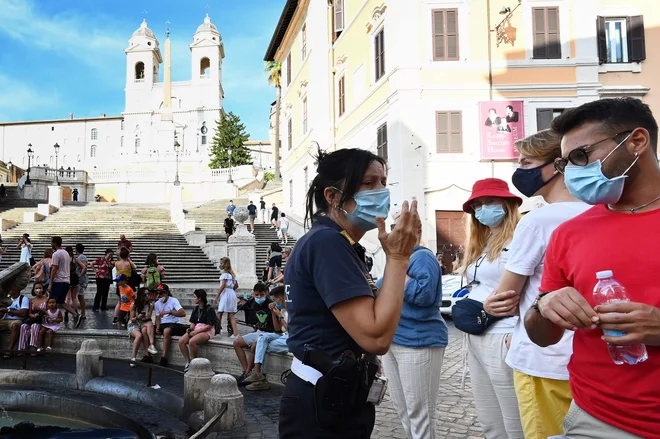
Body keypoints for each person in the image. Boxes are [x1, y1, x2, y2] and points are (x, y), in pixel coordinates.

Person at [525, 98, 660, 438]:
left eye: (581, 156)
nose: (572, 172)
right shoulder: (569, 234)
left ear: (637, 142)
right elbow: (542, 335)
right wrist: (544, 307)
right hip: (596, 420)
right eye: (566, 163)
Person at [278, 147, 419, 438]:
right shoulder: (327, 243)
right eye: (368, 183)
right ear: (332, 196)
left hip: (332, 396)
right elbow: (376, 336)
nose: (381, 191)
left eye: (382, 181)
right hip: (322, 402)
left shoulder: (334, 242)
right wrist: (399, 257)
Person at [483, 129, 589, 439]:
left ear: (558, 164)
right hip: (588, 358)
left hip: (541, 357)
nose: (520, 170)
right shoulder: (602, 211)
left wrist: (491, 302)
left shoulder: (538, 221)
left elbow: (506, 294)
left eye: (527, 162)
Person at [459, 178, 524, 438]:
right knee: (490, 421)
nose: (482, 209)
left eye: (489, 202)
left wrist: (519, 332)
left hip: (504, 334)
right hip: (478, 334)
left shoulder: (520, 237)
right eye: (478, 205)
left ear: (507, 204)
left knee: (514, 420)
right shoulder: (484, 242)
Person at [377, 217, 447, 439]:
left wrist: (397, 273)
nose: (399, 233)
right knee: (403, 409)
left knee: (419, 413)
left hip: (419, 342)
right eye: (396, 228)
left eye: (404, 228)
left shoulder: (422, 257)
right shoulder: (399, 259)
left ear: (417, 231)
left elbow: (424, 295)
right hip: (395, 340)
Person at [243, 286, 289, 391]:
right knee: (262, 338)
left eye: (274, 300)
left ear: (280, 299)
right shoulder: (281, 310)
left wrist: (280, 316)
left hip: (292, 338)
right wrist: (273, 313)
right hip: (283, 336)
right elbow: (278, 329)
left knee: (261, 346)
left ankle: (261, 379)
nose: (273, 302)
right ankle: (257, 372)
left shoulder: (290, 310)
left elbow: (292, 330)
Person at [232, 282, 276, 385]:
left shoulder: (270, 304)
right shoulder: (252, 303)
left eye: (261, 295)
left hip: (269, 334)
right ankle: (245, 370)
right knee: (236, 343)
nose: (259, 297)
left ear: (266, 293)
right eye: (256, 295)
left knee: (254, 346)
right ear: (253, 294)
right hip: (259, 332)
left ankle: (248, 373)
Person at [178, 289, 217, 372]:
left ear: (199, 298)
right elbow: (193, 322)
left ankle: (195, 363)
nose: (193, 299)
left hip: (206, 330)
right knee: (181, 341)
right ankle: (188, 361)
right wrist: (190, 329)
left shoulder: (209, 309)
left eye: (195, 297)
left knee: (192, 341)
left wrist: (196, 332)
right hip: (196, 328)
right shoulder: (196, 309)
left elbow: (209, 326)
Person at [48, 236, 82, 328]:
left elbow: (54, 269)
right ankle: (75, 314)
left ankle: (50, 320)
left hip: (58, 281)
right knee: (61, 301)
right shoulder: (66, 253)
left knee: (51, 301)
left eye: (51, 242)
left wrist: (50, 284)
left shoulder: (56, 254)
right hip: (66, 281)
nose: (51, 244)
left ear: (54, 243)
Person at [154, 284, 187, 367]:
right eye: (157, 293)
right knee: (148, 328)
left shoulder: (173, 301)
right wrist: (157, 327)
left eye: (161, 293)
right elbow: (157, 318)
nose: (159, 295)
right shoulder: (157, 304)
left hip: (173, 324)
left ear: (166, 293)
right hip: (163, 324)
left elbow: (183, 313)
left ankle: (164, 357)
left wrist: (170, 312)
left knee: (167, 330)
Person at [128, 288, 158, 366]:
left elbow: (149, 317)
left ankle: (151, 345)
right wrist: (138, 317)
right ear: (141, 296)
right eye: (145, 295)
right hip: (134, 324)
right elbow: (132, 319)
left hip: (143, 322)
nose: (147, 296)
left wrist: (147, 316)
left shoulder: (150, 304)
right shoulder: (134, 305)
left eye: (148, 294)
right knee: (139, 335)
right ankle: (133, 358)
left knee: (147, 327)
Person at [18, 282, 48, 355]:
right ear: (33, 290)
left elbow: (49, 312)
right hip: (34, 319)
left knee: (34, 326)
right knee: (23, 326)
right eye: (36, 288)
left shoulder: (47, 299)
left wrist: (39, 309)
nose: (38, 290)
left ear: (43, 289)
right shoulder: (31, 300)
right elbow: (29, 313)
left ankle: (33, 347)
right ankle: (22, 348)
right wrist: (33, 315)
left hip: (43, 321)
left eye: (40, 288)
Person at [0, 287, 30, 358]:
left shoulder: (23, 298)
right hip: (5, 319)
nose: (8, 290)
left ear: (17, 289)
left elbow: (24, 313)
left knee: (15, 325)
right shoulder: (5, 299)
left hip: (17, 320)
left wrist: (8, 310)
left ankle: (10, 350)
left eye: (11, 288)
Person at [215, 257, 239, 338]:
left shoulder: (225, 274)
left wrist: (217, 296)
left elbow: (223, 285)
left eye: (221, 263)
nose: (220, 265)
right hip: (231, 293)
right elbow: (236, 285)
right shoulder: (232, 274)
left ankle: (217, 330)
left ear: (225, 264)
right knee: (231, 314)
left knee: (219, 313)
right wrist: (231, 290)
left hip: (226, 293)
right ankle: (235, 333)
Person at [114, 247, 136, 326]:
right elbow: (135, 267)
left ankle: (117, 318)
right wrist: (129, 260)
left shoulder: (116, 263)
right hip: (128, 283)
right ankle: (129, 318)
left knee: (120, 301)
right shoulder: (128, 263)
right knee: (130, 301)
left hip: (119, 283)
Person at [64, 246, 80, 324]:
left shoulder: (65, 259)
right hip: (75, 277)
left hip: (67, 277)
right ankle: (76, 312)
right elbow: (84, 267)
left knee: (68, 297)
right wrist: (80, 275)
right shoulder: (75, 259)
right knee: (74, 297)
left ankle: (66, 313)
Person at [74, 244, 88, 320]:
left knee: (80, 296)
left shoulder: (81, 257)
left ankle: (83, 313)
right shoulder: (81, 257)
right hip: (81, 279)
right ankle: (82, 313)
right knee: (79, 296)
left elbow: (84, 267)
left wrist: (80, 275)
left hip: (81, 280)